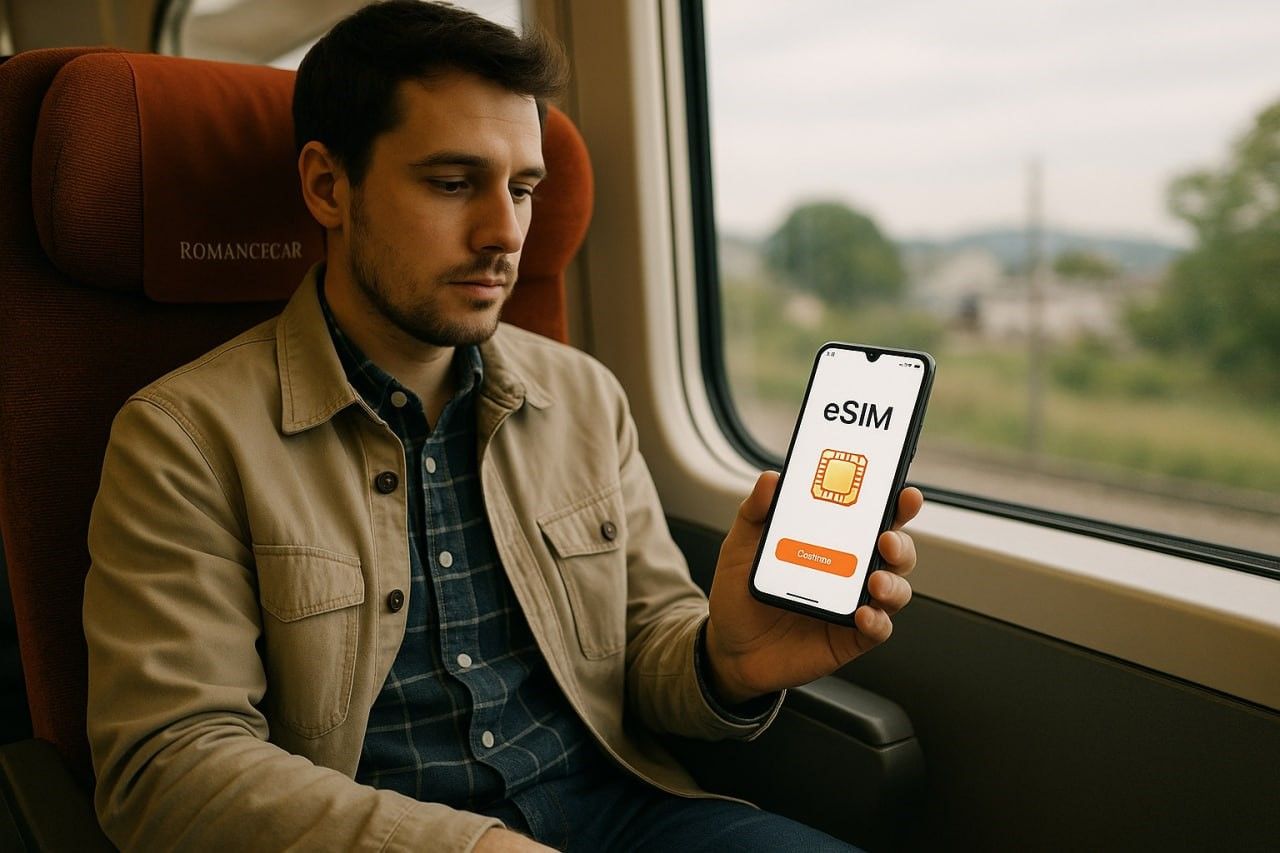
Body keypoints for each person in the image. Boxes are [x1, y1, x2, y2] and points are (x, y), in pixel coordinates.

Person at [82, 2, 921, 851]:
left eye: (523, 188)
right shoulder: (184, 438)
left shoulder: (585, 396)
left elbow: (641, 652)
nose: (506, 234)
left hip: (623, 811)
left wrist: (724, 661)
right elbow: (169, 766)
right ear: (328, 187)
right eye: (453, 184)